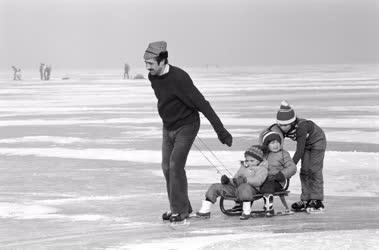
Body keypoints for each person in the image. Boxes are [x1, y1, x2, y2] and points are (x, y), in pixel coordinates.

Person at [144, 41, 233, 223]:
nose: (148, 67)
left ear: (162, 61)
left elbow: (202, 104)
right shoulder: (153, 77)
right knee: (166, 167)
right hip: (168, 126)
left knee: (176, 165)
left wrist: (221, 131)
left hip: (187, 125)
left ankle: (181, 211)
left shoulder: (180, 78)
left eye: (151, 63)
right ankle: (179, 206)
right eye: (146, 63)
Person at [258, 100, 327, 212]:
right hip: (306, 145)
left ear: (292, 122)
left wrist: (289, 166)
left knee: (314, 170)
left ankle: (316, 199)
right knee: (304, 171)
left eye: (285, 125)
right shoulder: (280, 127)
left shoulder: (302, 127)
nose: (283, 127)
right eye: (280, 124)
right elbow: (269, 134)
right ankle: (305, 199)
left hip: (317, 142)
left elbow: (299, 151)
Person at [196, 145, 268, 220]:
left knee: (244, 187)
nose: (248, 163)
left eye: (252, 161)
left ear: (259, 160)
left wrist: (245, 180)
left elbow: (258, 181)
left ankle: (246, 211)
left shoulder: (262, 169)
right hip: (236, 189)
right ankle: (205, 210)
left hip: (252, 190)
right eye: (247, 160)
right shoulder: (243, 167)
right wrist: (228, 181)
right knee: (215, 187)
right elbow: (236, 179)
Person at [259, 131, 297, 216]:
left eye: (277, 142)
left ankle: (269, 205)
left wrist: (280, 175)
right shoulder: (263, 155)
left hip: (277, 181)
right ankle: (242, 204)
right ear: (267, 145)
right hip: (262, 180)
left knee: (268, 184)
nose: (276, 145)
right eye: (272, 143)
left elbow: (292, 168)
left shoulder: (283, 154)